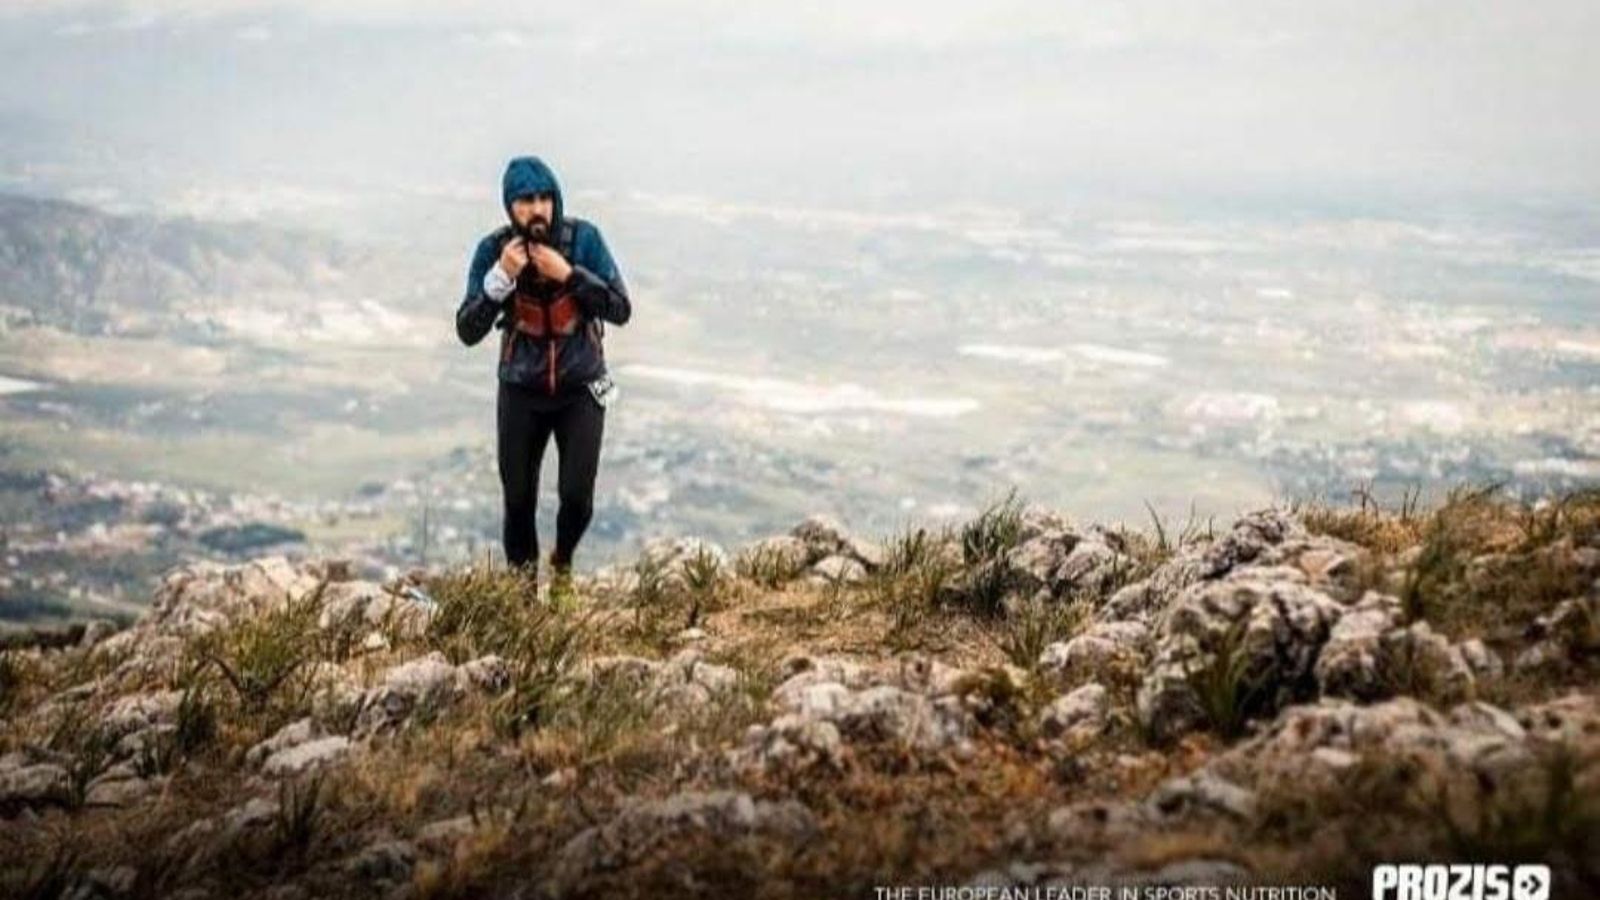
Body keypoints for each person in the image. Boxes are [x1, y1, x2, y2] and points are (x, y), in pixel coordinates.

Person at [455, 155, 631, 606]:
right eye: (525, 200)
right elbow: (467, 330)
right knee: (518, 500)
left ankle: (564, 561)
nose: (537, 209)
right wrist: (501, 280)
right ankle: (522, 600)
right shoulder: (493, 251)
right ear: (509, 206)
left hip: (581, 386)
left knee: (577, 497)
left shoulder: (583, 239)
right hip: (521, 389)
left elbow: (620, 308)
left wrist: (568, 275)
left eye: (544, 198)